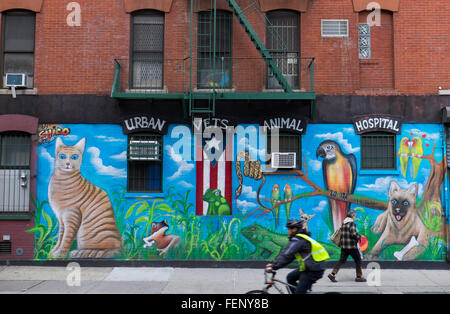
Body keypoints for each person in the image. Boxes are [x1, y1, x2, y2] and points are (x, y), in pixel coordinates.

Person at [265, 219, 330, 294]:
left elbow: (287, 255)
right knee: (290, 277)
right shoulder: (299, 238)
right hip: (311, 266)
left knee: (300, 292)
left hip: (313, 270)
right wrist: (274, 264)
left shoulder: (298, 240)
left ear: (295, 229)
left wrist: (274, 266)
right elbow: (287, 254)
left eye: (289, 229)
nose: (287, 231)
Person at [327, 210, 367, 282]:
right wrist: (359, 236)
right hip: (351, 246)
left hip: (344, 246)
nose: (355, 217)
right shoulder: (351, 223)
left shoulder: (344, 223)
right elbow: (353, 234)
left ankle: (332, 274)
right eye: (355, 215)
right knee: (358, 260)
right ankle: (359, 277)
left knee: (341, 261)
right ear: (352, 216)